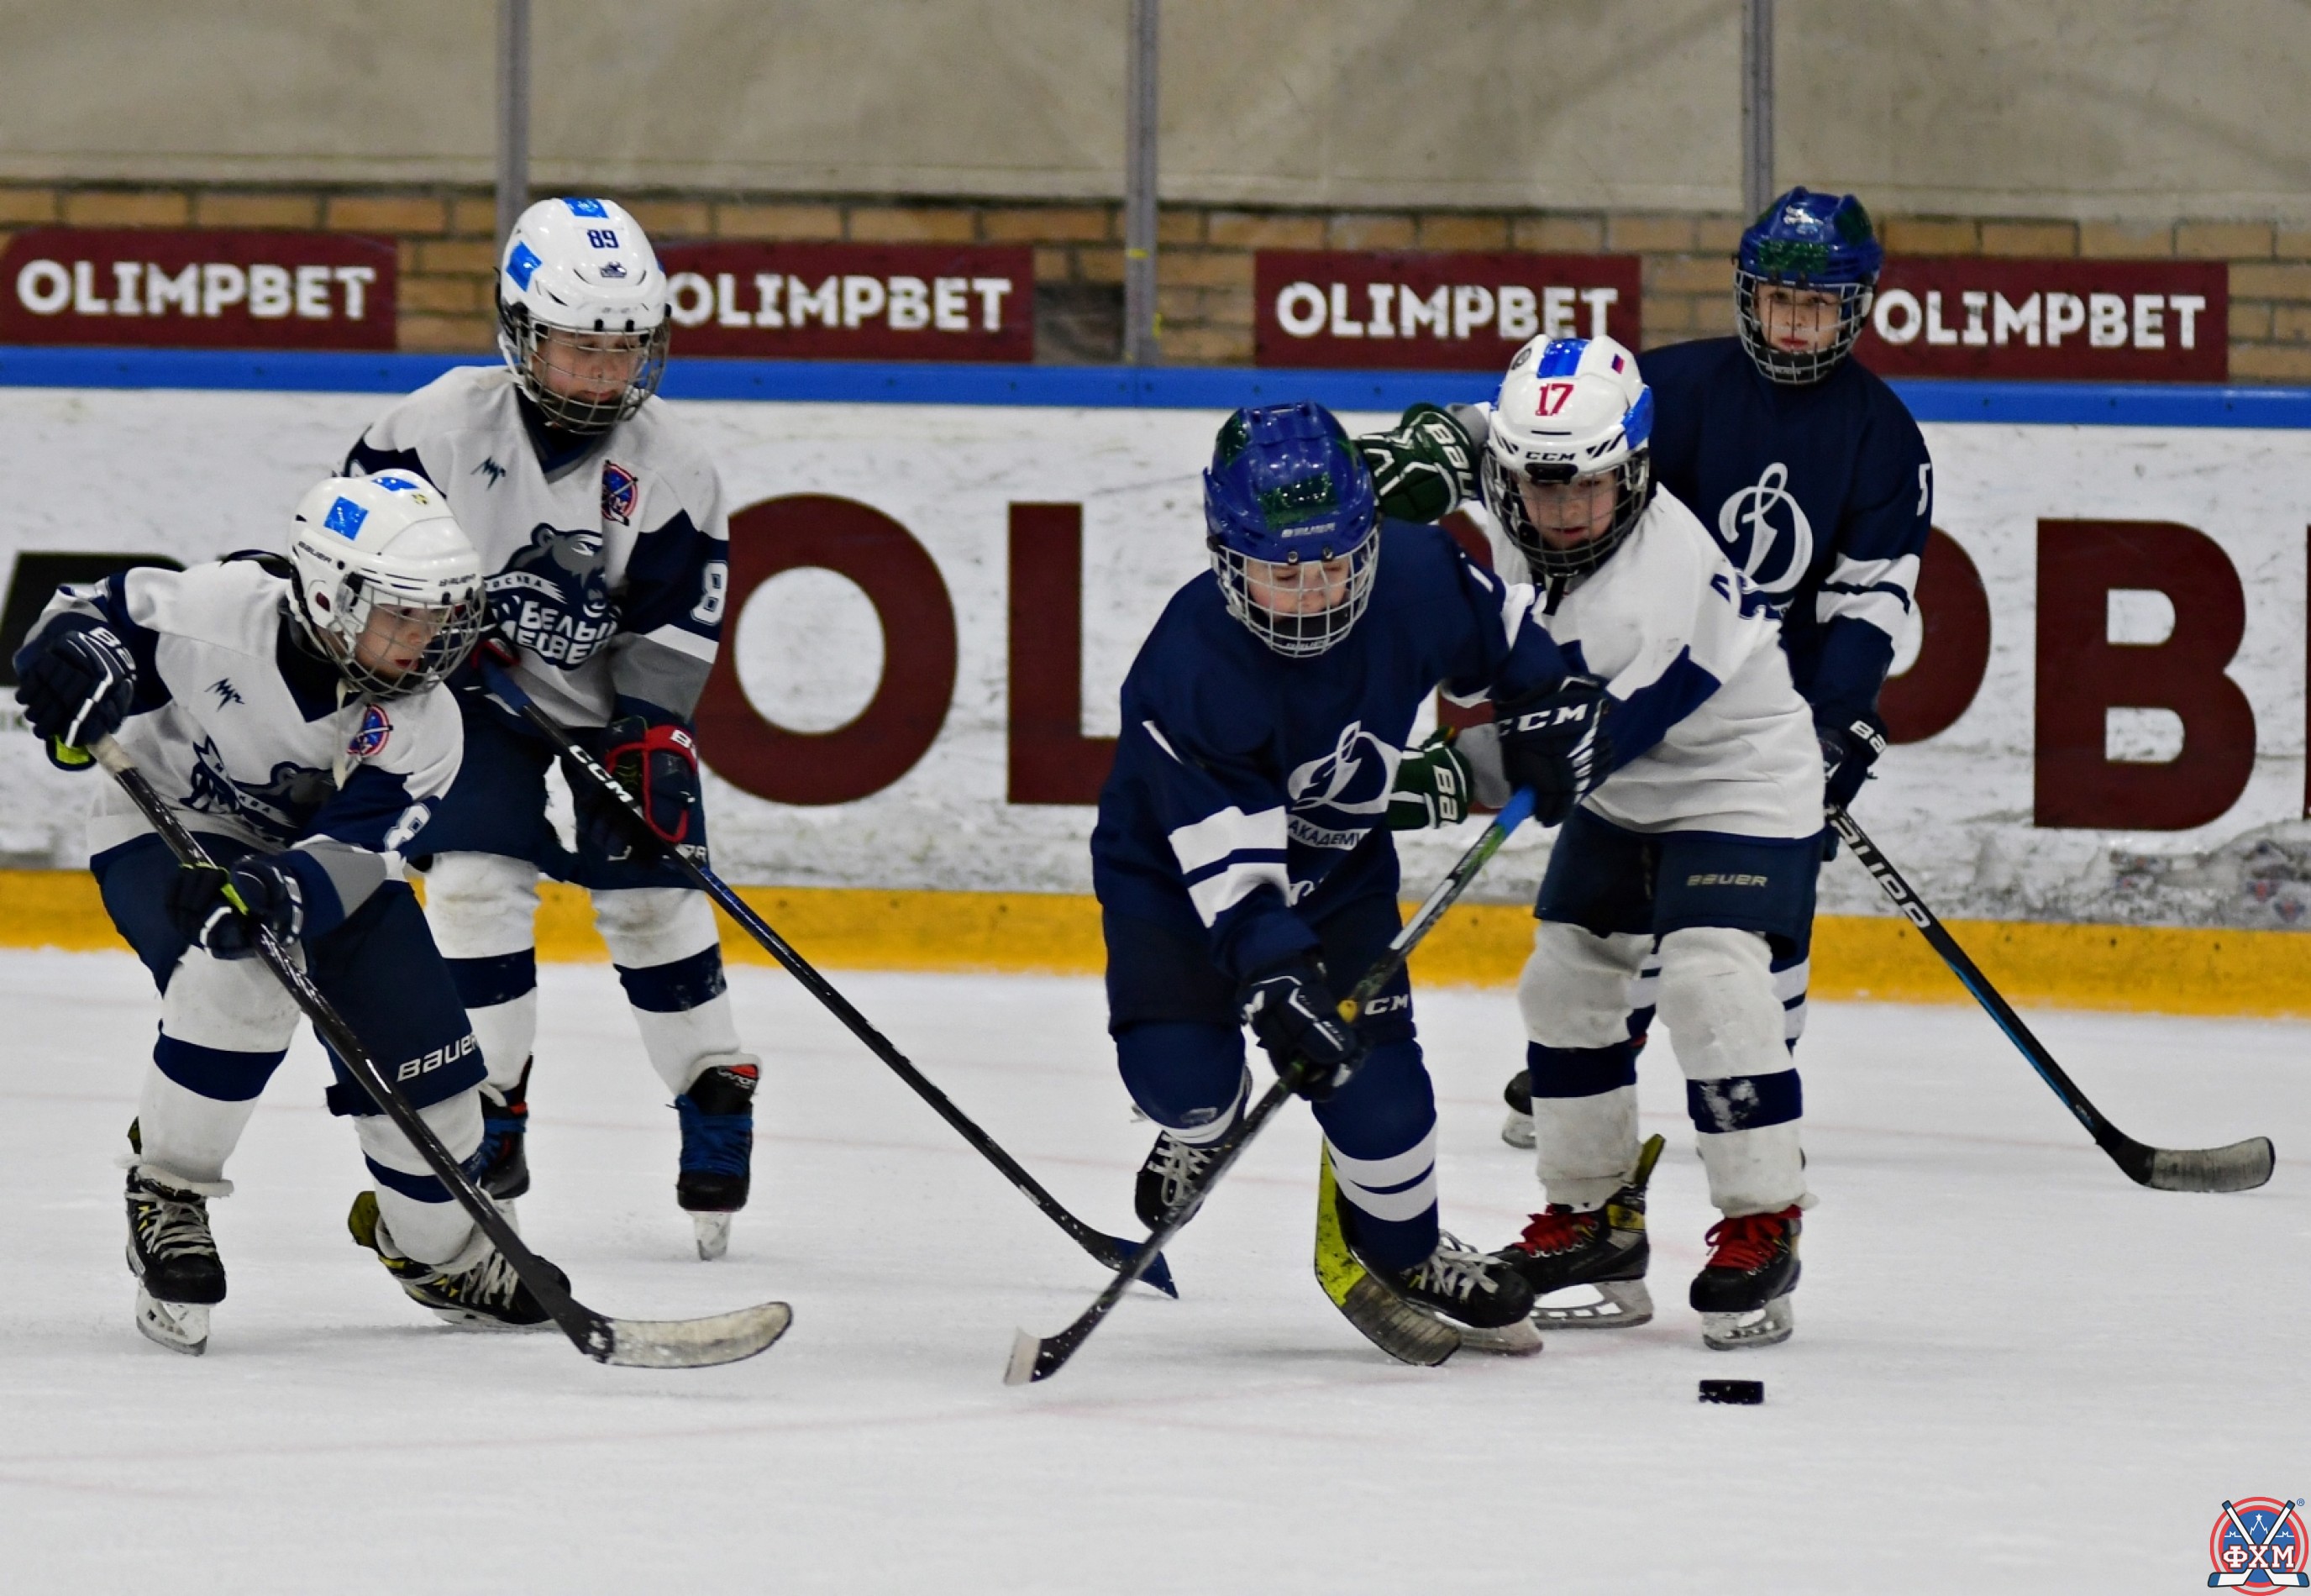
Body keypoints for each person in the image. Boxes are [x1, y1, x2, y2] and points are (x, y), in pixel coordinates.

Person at [1358, 186, 1930, 1149]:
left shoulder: (1883, 437)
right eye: (1778, 300)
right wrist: (1448, 443)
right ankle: (1595, 1060)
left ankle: (1760, 1087)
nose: (1795, 324)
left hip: (1753, 712)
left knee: (1747, 913)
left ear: (1857, 306)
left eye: (1818, 305)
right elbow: (1542, 422)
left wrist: (1834, 723)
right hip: (1638, 671)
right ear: (1748, 296)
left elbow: (1868, 605)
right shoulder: (1681, 384)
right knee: (1610, 889)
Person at [11, 471, 563, 1353]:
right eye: (400, 615)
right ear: (325, 594)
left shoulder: (428, 724)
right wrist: (72, 659)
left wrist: (277, 889)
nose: (427, 642)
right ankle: (169, 1189)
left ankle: (439, 1257)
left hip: (316, 871)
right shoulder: (223, 605)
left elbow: (349, 855)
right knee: (249, 973)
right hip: (168, 828)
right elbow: (80, 611)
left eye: (440, 617)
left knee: (439, 1091)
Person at [1090, 401, 1568, 1343]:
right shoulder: (1185, 664)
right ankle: (1199, 1127)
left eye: (1335, 564)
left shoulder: (1421, 572)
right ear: (1227, 558)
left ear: (1368, 540)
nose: (1313, 591)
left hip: (1341, 876)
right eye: (1280, 572)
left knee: (1383, 1102)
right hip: (1177, 892)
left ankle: (1410, 1248)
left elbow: (1510, 642)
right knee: (1184, 1079)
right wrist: (1276, 981)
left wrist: (1549, 706)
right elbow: (1229, 872)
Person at [342, 197, 758, 1260]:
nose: (600, 376)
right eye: (578, 349)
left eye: (623, 352)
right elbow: (352, 573)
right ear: (521, 332)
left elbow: (674, 633)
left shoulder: (674, 467)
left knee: (654, 902)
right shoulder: (428, 428)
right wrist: (431, 642)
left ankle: (714, 1089)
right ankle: (492, 1109)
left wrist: (648, 736)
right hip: (461, 705)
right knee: (478, 880)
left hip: (612, 713)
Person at [1419, 334, 1826, 1349]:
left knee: (1708, 979)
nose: (1554, 514)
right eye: (1534, 487)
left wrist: (1409, 784)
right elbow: (1467, 439)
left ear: (1635, 472)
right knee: (1564, 984)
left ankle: (1760, 1219)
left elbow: (1556, 759)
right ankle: (1593, 1217)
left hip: (1739, 784)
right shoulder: (1532, 467)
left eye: (1585, 491)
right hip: (1630, 787)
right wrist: (1406, 448)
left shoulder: (1656, 587)